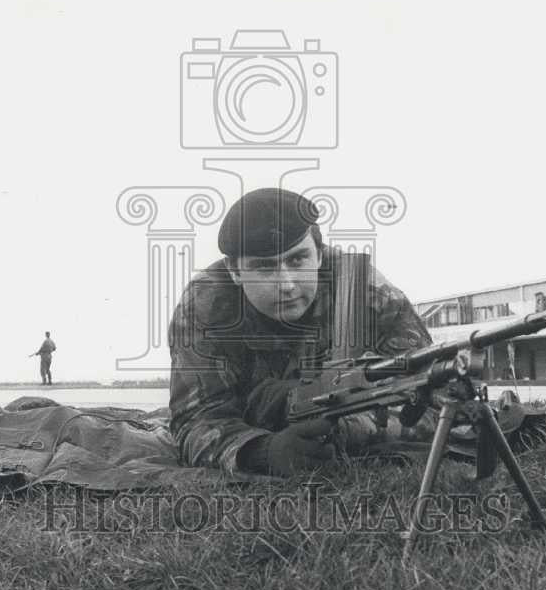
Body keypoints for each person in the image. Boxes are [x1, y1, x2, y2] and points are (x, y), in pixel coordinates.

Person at [168, 188, 434, 477]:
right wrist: (263, 452)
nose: (287, 284)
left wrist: (351, 428)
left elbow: (429, 398)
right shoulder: (205, 306)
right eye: (264, 267)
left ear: (319, 254)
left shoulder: (366, 293)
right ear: (234, 270)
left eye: (298, 260)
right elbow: (195, 420)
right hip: (248, 413)